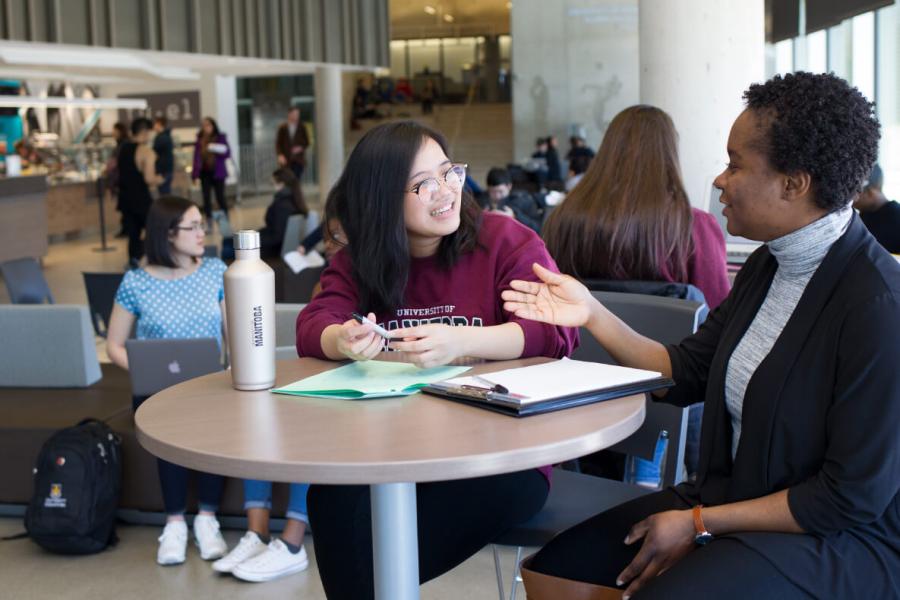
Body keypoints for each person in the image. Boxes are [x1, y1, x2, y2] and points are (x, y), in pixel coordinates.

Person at [502, 72, 899, 600]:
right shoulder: (768, 266)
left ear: (794, 183)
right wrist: (592, 312)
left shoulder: (878, 306)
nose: (719, 179)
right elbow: (683, 374)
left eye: (735, 164)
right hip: (730, 497)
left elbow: (848, 499)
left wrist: (699, 522)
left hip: (838, 537)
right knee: (555, 572)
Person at [295, 121, 578, 599]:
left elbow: (555, 332)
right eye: (423, 184)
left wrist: (462, 343)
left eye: (449, 173)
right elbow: (312, 325)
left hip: (500, 459)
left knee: (367, 570)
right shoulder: (360, 261)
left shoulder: (503, 240)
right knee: (332, 497)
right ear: (381, 199)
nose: (446, 192)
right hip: (395, 455)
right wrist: (342, 338)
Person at [106, 196, 229, 566]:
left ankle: (207, 519)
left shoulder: (214, 271)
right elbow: (113, 345)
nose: (201, 233)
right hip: (158, 389)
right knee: (165, 414)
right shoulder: (136, 282)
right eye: (192, 226)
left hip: (211, 385)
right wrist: (144, 370)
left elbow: (235, 332)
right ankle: (175, 523)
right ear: (168, 233)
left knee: (212, 414)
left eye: (201, 225)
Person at [543, 105, 730, 310]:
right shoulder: (693, 226)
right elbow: (718, 312)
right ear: (669, 155)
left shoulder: (562, 219)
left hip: (580, 341)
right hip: (671, 342)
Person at [119, 118, 163, 268]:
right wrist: (160, 179)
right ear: (145, 132)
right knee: (153, 231)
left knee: (133, 234)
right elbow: (149, 178)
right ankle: (151, 262)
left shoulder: (123, 149)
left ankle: (134, 261)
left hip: (126, 199)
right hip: (142, 199)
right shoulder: (146, 151)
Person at [258, 168, 309, 259]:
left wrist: (254, 240)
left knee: (229, 246)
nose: (272, 187)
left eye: (273, 183)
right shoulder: (294, 200)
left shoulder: (282, 205)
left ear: (281, 184)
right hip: (272, 245)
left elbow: (277, 237)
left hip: (270, 249)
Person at [192, 116, 231, 222]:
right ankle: (209, 220)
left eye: (208, 125)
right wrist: (195, 175)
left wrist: (214, 147)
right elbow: (196, 158)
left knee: (220, 197)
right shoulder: (200, 140)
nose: (206, 127)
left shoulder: (220, 137)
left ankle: (225, 219)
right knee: (206, 198)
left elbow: (227, 153)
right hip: (205, 172)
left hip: (218, 172)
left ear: (213, 126)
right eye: (204, 125)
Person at [854, 164, 900, 253]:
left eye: (855, 193)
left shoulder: (897, 218)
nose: (851, 200)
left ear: (870, 192)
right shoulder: (864, 214)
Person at [485, 167, 545, 233]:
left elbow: (537, 228)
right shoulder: (483, 202)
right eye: (492, 192)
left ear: (509, 186)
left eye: (500, 191)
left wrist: (514, 216)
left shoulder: (524, 200)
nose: (497, 196)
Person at [275, 106, 310, 181]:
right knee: (286, 182)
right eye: (294, 114)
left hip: (298, 160)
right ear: (289, 114)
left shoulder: (302, 127)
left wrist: (300, 148)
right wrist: (280, 155)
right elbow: (278, 143)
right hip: (286, 161)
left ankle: (296, 192)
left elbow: (307, 142)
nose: (296, 116)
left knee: (296, 181)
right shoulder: (282, 127)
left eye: (297, 114)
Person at [153, 116, 175, 195]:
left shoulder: (162, 138)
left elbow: (155, 154)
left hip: (163, 171)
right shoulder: (165, 136)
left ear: (159, 124)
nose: (154, 126)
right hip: (165, 170)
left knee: (164, 195)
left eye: (155, 124)